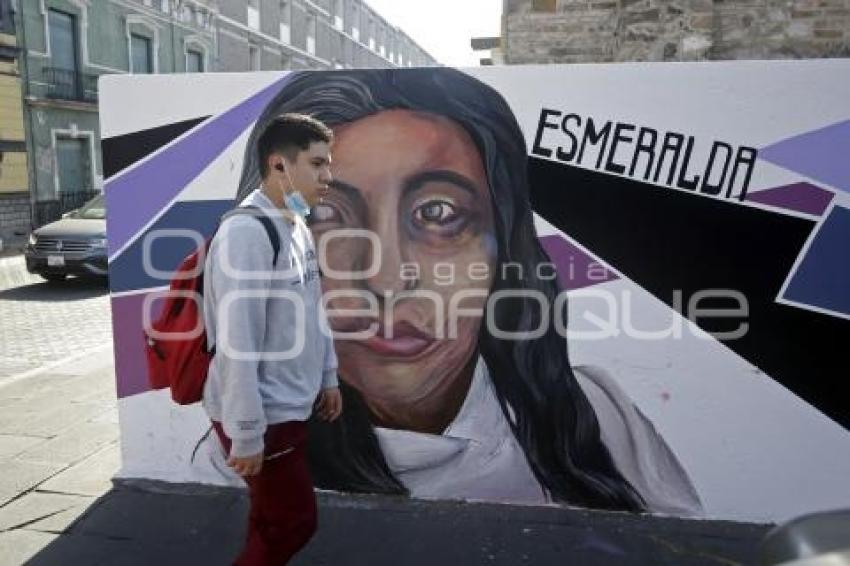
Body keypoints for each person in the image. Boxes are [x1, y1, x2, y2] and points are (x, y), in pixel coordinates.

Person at [234, 69, 702, 516]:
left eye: (438, 213)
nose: (387, 280)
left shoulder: (598, 417)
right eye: (321, 216)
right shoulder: (242, 453)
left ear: (504, 248)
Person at [203, 113, 343, 564]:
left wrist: (328, 375)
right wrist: (245, 433)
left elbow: (311, 306)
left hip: (289, 405)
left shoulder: (295, 221)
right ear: (279, 165)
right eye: (318, 163)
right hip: (264, 414)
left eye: (328, 164)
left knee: (271, 518)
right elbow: (235, 341)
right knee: (294, 521)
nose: (329, 176)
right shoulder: (247, 232)